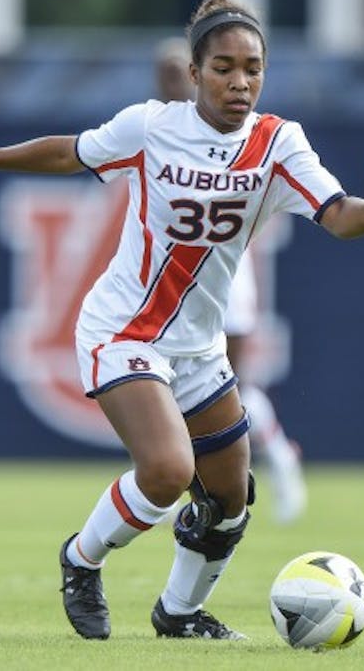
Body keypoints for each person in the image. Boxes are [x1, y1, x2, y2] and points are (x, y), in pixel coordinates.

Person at [0, 0, 364, 640]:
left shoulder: (279, 143)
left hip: (197, 349)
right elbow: (66, 152)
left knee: (230, 498)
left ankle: (179, 615)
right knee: (167, 471)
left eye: (253, 67)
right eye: (223, 67)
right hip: (122, 330)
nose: (239, 81)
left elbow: (340, 217)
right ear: (193, 74)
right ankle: (81, 558)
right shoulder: (152, 126)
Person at [155, 36, 308, 525]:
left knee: (228, 386)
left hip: (223, 280)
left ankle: (279, 459)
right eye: (164, 74)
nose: (171, 81)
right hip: (166, 285)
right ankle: (169, 477)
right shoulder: (156, 127)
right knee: (162, 385)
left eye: (176, 71)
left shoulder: (239, 128)